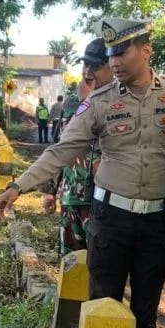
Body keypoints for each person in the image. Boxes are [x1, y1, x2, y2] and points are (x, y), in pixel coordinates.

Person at [0, 17, 165, 328]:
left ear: (145, 51)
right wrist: (18, 187)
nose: (114, 60)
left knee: (147, 307)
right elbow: (62, 150)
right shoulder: (100, 102)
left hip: (155, 220)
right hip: (111, 218)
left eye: (122, 51)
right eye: (111, 53)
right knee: (103, 302)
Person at [42, 38, 114, 253]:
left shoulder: (123, 102)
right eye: (86, 65)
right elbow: (59, 146)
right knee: (70, 263)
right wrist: (49, 190)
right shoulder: (73, 102)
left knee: (102, 266)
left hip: (104, 202)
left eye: (97, 65)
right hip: (71, 196)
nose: (89, 71)